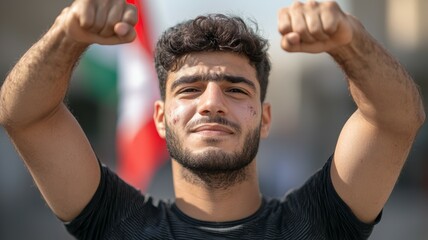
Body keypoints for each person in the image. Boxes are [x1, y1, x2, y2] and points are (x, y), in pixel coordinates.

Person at [0, 0, 424, 239]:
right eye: (189, 89)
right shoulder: (119, 225)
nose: (212, 103)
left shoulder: (314, 224)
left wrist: (350, 42)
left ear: (265, 118)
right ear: (161, 118)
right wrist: (64, 36)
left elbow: (396, 119)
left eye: (237, 89)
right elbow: (24, 116)